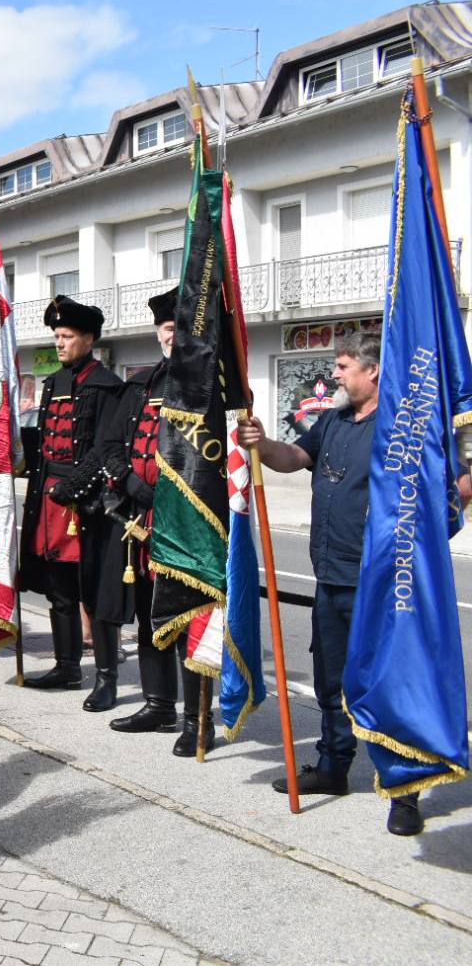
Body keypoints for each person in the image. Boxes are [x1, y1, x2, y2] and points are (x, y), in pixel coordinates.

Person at [236, 334, 426, 833]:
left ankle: (405, 790)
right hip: (330, 577)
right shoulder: (334, 420)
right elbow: (293, 458)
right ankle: (333, 767)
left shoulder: (401, 427)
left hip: (380, 583)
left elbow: (451, 483)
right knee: (331, 682)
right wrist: (261, 442)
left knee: (387, 687)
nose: (336, 375)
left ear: (373, 372)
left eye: (343, 367)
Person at [99, 294, 215, 749]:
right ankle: (158, 706)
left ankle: (195, 721)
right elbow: (112, 442)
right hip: (142, 521)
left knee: (188, 620)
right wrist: (129, 482)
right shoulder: (141, 383)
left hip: (188, 525)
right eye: (166, 328)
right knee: (151, 618)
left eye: (179, 328)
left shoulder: (210, 384)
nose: (171, 335)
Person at [18, 297, 123, 698]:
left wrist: (73, 487)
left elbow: (108, 447)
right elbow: (43, 443)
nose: (59, 344)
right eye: (56, 336)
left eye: (67, 336)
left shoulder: (108, 385)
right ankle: (66, 668)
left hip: (88, 502)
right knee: (59, 589)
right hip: (49, 501)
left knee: (95, 591)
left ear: (89, 338)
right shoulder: (54, 384)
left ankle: (106, 679)